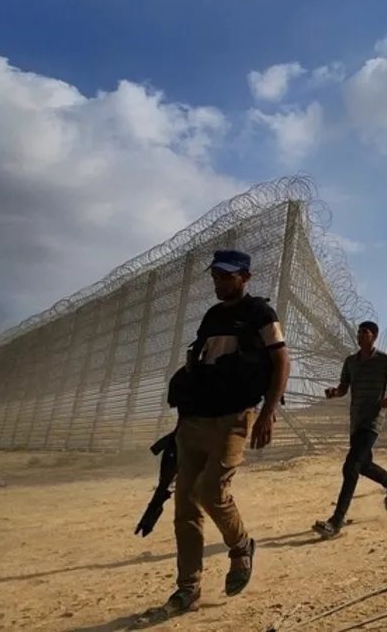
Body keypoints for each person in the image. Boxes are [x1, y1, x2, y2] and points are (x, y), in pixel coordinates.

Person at [159, 249, 291, 617]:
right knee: (186, 505)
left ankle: (241, 545)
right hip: (196, 418)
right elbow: (199, 362)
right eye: (215, 276)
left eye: (226, 276)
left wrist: (269, 411)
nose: (218, 283)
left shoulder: (260, 314)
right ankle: (188, 588)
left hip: (234, 416)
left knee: (211, 491)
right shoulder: (212, 316)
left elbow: (282, 360)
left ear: (245, 277)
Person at [313, 321, 387, 540]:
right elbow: (344, 388)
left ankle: (336, 521)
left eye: (365, 332)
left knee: (351, 467)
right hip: (356, 420)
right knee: (363, 465)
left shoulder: (383, 360)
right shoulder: (350, 362)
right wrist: (334, 392)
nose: (360, 335)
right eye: (358, 332)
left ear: (374, 336)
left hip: (372, 420)